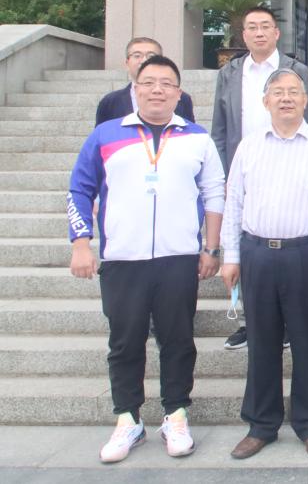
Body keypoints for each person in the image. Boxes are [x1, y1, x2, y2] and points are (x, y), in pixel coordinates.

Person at [67, 55, 224, 464]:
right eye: (149, 82)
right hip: (123, 258)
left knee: (178, 339)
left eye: (166, 83)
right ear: (135, 88)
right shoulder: (106, 135)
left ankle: (176, 414)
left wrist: (211, 248)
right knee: (124, 341)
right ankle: (128, 419)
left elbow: (214, 193)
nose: (157, 89)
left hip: (178, 257)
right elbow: (79, 188)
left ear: (178, 92)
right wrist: (81, 242)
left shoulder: (197, 138)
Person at [219, 68, 308, 460]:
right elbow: (233, 204)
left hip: (307, 255)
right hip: (257, 253)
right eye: (278, 92)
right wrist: (231, 256)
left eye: (294, 91)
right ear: (266, 101)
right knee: (262, 341)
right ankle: (261, 425)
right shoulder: (249, 146)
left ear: (306, 100)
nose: (287, 98)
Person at [211, 6, 308, 350]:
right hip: (245, 170)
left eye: (265, 27)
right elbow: (220, 127)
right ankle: (250, 321)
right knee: (249, 245)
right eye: (252, 27)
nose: (259, 33)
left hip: (291, 169)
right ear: (244, 35)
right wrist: (224, 173)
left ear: (276, 33)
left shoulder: (296, 70)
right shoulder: (230, 73)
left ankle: (287, 323)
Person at [95, 37, 195, 125]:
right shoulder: (110, 102)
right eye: (137, 56)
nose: (144, 61)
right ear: (127, 63)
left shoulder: (181, 99)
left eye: (151, 56)